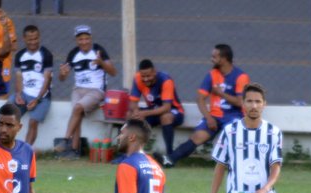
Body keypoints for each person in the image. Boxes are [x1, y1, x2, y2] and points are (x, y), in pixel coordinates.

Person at [155, 44, 250, 167]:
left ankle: (238, 165)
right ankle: (169, 160)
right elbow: (200, 99)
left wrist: (221, 93)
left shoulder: (241, 77)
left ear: (224, 59)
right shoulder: (212, 74)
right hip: (214, 116)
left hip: (234, 116)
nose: (212, 59)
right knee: (197, 136)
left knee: (231, 137)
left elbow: (240, 102)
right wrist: (209, 118)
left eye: (214, 57)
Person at [56, 25, 117, 159]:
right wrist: (62, 73)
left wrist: (101, 62)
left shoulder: (98, 50)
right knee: (77, 113)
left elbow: (113, 72)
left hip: (96, 90)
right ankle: (74, 151)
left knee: (77, 108)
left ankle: (65, 140)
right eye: (80, 39)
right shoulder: (73, 53)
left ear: (91, 38)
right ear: (76, 40)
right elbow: (62, 78)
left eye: (86, 39)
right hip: (78, 89)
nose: (84, 42)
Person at [127, 59, 185, 157]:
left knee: (165, 117)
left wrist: (144, 113)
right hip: (153, 111)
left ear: (154, 72)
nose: (145, 79)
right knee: (130, 115)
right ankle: (129, 154)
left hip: (174, 111)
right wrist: (136, 112)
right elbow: (133, 102)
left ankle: (170, 155)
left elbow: (166, 108)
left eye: (148, 76)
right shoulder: (137, 78)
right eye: (143, 76)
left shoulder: (166, 80)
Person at [12, 25, 53, 146]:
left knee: (33, 122)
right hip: (24, 94)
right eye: (30, 39)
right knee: (8, 117)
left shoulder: (46, 54)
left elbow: (47, 80)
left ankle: (25, 151)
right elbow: (19, 77)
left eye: (36, 38)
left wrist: (37, 99)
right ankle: (6, 149)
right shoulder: (20, 55)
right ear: (24, 39)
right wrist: (18, 94)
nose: (33, 42)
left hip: (42, 97)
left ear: (39, 37)